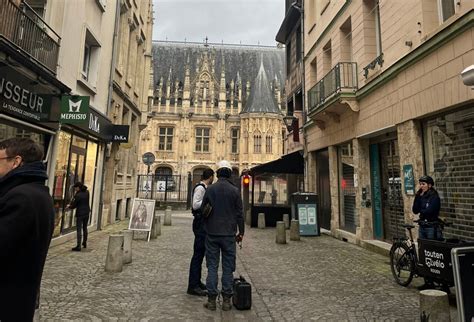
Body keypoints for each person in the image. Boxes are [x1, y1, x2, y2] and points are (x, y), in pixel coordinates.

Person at [0, 138, 55, 321]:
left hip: (8, 300)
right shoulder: (39, 192)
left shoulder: (20, 197)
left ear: (15, 162)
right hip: (21, 297)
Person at [201, 160, 244, 311]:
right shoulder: (235, 190)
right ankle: (226, 301)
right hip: (228, 234)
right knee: (228, 268)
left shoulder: (211, 189)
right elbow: (240, 214)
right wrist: (241, 232)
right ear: (230, 173)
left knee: (212, 266)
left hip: (212, 233)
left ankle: (212, 300)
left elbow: (203, 211)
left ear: (218, 173)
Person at [187, 168, 215, 296]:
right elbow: (195, 205)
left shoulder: (205, 188)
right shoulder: (200, 188)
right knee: (198, 254)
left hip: (202, 223)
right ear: (210, 177)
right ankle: (193, 286)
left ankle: (197, 282)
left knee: (200, 253)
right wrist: (207, 202)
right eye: (213, 177)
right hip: (199, 223)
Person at [412, 175, 442, 291]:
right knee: (423, 253)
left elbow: (430, 211)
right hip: (423, 226)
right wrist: (417, 197)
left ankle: (436, 280)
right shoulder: (421, 196)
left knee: (432, 253)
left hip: (431, 227)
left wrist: (422, 211)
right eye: (420, 184)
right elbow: (415, 210)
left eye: (423, 184)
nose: (421, 186)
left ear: (429, 185)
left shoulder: (434, 197)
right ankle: (428, 281)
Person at [67, 181, 90, 251]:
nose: (75, 189)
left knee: (79, 229)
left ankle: (78, 246)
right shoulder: (87, 192)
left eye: (76, 188)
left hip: (80, 213)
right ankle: (84, 242)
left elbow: (74, 205)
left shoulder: (78, 195)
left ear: (78, 187)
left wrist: (69, 206)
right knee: (85, 227)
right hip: (87, 212)